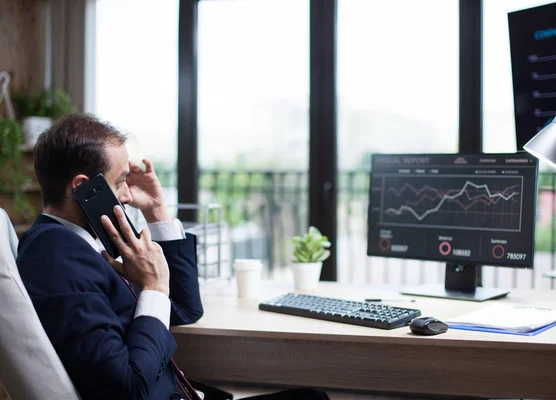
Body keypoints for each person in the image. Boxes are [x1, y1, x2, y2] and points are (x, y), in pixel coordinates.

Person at [16, 113, 329, 400]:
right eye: (120, 180)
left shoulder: (81, 245)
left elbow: (184, 308)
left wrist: (156, 211)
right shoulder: (56, 259)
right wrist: (153, 287)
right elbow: (127, 388)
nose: (126, 195)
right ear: (82, 188)